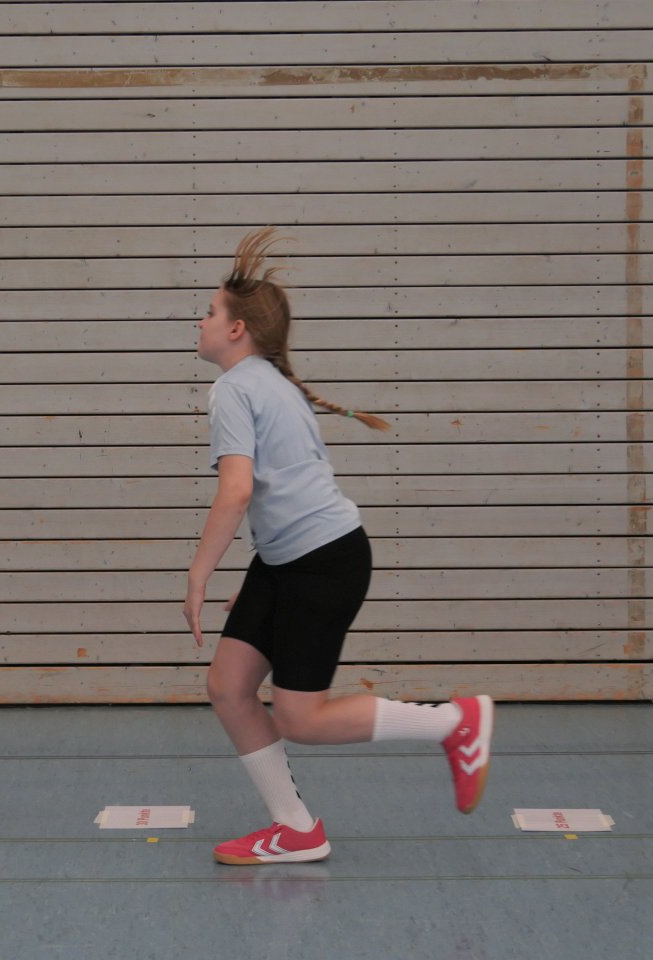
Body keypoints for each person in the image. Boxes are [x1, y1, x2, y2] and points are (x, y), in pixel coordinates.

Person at [183, 227, 494, 865]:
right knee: (229, 686)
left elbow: (237, 490)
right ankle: (296, 829)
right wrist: (265, 578)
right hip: (293, 561)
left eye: (210, 312)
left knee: (300, 718)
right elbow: (291, 491)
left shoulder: (236, 388)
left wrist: (198, 574)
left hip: (320, 563)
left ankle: (453, 722)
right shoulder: (270, 382)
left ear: (237, 329)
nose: (200, 320)